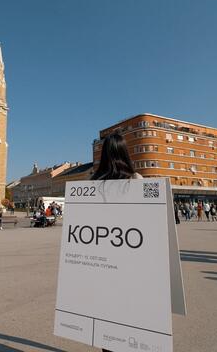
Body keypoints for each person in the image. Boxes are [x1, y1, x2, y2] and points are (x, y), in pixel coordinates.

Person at [90, 132, 141, 352]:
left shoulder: (93, 182)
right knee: (128, 313)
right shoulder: (135, 179)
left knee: (106, 313)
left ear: (103, 154)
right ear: (124, 152)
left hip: (101, 260)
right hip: (128, 259)